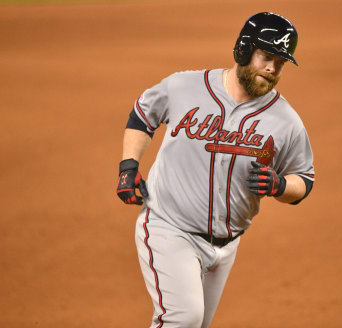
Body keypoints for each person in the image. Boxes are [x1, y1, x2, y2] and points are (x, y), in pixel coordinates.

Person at [116, 12, 315, 328]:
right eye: (267, 56)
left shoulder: (286, 120)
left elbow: (304, 180)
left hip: (226, 246)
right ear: (244, 49)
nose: (273, 69)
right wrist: (129, 167)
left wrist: (279, 185)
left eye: (280, 62)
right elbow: (143, 115)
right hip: (169, 227)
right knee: (184, 319)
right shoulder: (184, 86)